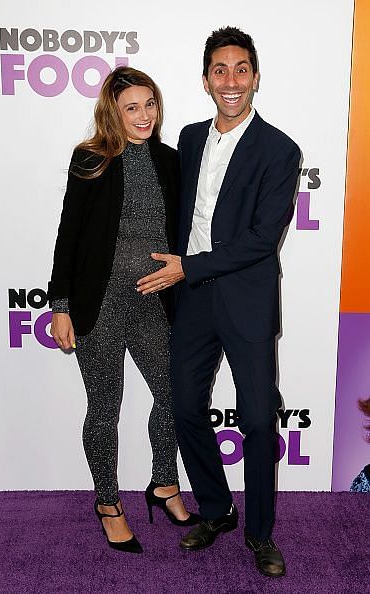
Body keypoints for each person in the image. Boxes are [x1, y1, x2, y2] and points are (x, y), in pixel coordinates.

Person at [137, 27, 300, 576]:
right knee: (184, 407)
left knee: (256, 418)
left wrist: (191, 266)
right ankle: (217, 508)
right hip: (193, 299)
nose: (230, 81)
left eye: (240, 69)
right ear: (206, 80)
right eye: (219, 71)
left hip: (246, 300)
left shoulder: (280, 150)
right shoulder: (187, 138)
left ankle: (260, 534)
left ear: (255, 77)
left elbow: (262, 238)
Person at [48, 66, 198, 555]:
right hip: (100, 305)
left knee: (174, 394)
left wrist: (186, 270)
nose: (143, 115)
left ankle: (163, 483)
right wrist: (60, 305)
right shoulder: (91, 160)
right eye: (131, 107)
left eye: (149, 104)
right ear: (112, 111)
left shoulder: (172, 161)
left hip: (154, 303)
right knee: (105, 406)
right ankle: (108, 503)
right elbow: (68, 234)